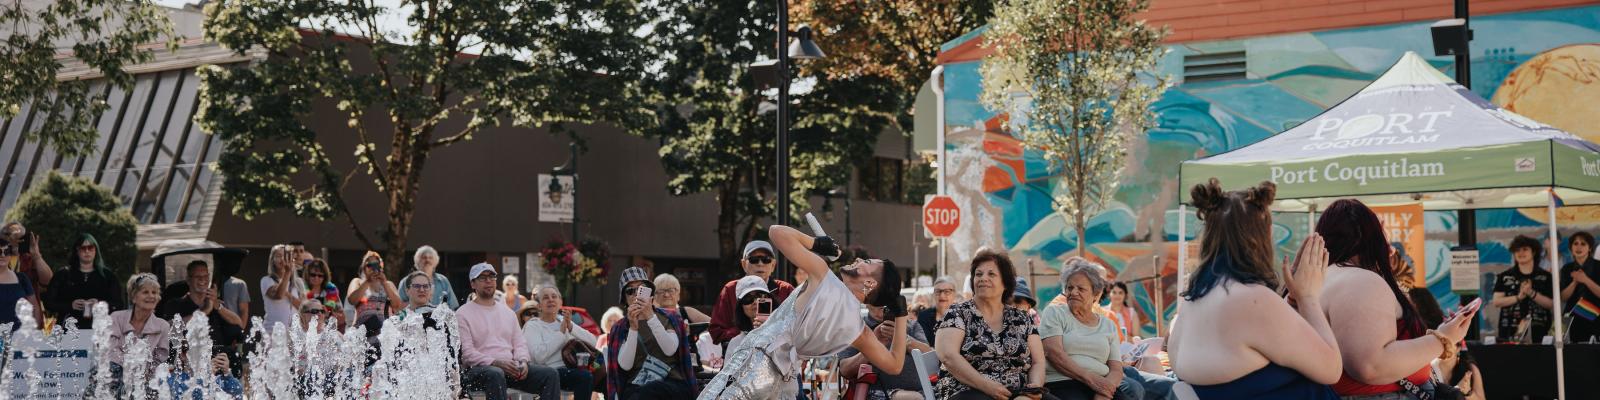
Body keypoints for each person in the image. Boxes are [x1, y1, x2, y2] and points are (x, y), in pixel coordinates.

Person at [1166, 179, 1341, 399]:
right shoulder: (1253, 300)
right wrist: (1308, 297)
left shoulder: (1193, 301)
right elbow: (1331, 369)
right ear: (1265, 236)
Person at [699, 225, 910, 400]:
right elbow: (894, 365)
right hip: (780, 384)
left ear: (870, 282)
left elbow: (776, 233)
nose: (859, 260)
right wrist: (901, 316)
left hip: (753, 364)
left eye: (867, 263)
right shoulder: (858, 330)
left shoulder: (824, 276)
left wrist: (815, 243)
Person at [1314, 199, 1476, 399]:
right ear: (1369, 237)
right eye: (1382, 234)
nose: (1389, 248)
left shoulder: (1318, 279)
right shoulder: (1361, 281)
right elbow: (1371, 365)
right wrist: (1444, 338)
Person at [1040, 257, 1175, 400]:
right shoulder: (1055, 312)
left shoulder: (1107, 323)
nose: (1073, 292)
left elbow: (1116, 367)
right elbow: (1053, 353)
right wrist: (1093, 381)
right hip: (1065, 381)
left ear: (1096, 295)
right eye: (1070, 287)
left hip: (1103, 380)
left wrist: (1104, 391)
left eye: (1080, 288)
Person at [933, 248, 1047, 400]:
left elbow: (1038, 361)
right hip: (968, 391)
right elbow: (948, 356)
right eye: (978, 274)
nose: (983, 278)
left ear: (1005, 283)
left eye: (991, 274)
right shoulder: (958, 313)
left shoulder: (1022, 318)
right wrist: (987, 386)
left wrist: (1033, 390)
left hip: (1018, 393)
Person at [458, 263, 559, 400]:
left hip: (508, 368)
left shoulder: (508, 313)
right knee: (495, 373)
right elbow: (467, 354)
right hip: (478, 371)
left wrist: (523, 362)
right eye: (482, 278)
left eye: (492, 276)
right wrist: (496, 362)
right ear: (473, 284)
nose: (488, 281)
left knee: (550, 374)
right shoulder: (462, 313)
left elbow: (519, 344)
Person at [606, 266, 698, 399]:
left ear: (650, 292)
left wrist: (650, 316)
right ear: (625, 299)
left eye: (641, 289)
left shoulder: (669, 317)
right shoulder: (620, 327)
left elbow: (670, 349)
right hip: (637, 386)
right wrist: (633, 328)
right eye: (631, 291)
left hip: (671, 383)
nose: (637, 294)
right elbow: (625, 365)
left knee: (651, 390)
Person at [840, 300, 934, 400]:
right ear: (866, 302)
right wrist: (874, 345)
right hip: (875, 391)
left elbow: (929, 355)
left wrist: (902, 338)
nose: (883, 300)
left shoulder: (911, 325)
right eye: (878, 297)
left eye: (887, 296)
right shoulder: (857, 328)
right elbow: (845, 370)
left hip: (919, 390)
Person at [709, 240, 796, 343]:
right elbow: (716, 332)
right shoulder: (730, 289)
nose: (760, 264)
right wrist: (747, 329)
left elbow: (797, 326)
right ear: (744, 264)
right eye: (754, 259)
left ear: (773, 265)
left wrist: (772, 328)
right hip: (737, 352)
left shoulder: (785, 289)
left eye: (766, 259)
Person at [523, 286, 598, 400]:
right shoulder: (533, 325)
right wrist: (561, 333)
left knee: (601, 375)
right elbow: (539, 357)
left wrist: (571, 326)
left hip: (569, 370)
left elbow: (593, 341)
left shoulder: (562, 320)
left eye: (554, 297)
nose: (551, 300)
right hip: (547, 372)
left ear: (560, 302)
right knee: (584, 376)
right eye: (545, 298)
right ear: (539, 306)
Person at [162, 261, 246, 353]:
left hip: (218, 358)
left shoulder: (215, 305)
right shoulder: (175, 304)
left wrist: (218, 307)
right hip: (189, 357)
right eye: (198, 277)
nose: (203, 280)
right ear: (188, 280)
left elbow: (239, 324)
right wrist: (204, 311)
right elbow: (169, 328)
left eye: (206, 276)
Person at [45, 233, 124, 329]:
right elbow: (48, 303)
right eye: (83, 248)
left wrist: (100, 304)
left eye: (90, 247)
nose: (87, 251)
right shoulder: (63, 275)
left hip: (100, 329)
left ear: (96, 250)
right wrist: (70, 306)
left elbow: (119, 304)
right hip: (69, 328)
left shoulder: (108, 276)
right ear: (77, 251)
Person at [107, 273, 173, 389]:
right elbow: (111, 352)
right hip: (116, 375)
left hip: (145, 380)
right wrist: (131, 367)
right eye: (145, 292)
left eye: (154, 292)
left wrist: (142, 373)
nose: (151, 296)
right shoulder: (116, 318)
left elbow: (159, 360)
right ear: (133, 297)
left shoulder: (163, 326)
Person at [1492, 235, 1555, 343]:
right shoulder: (1504, 276)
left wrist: (1531, 293)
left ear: (1533, 252)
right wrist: (1518, 297)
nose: (1521, 253)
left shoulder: (1546, 276)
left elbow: (1551, 304)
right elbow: (1497, 301)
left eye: (1525, 249)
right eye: (1517, 250)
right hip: (1509, 330)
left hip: (1540, 330)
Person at [1560, 232, 1600, 342]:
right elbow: (1563, 297)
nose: (1579, 247)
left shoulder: (1598, 266)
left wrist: (1586, 280)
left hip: (1595, 316)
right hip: (1572, 317)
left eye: (1583, 244)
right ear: (1571, 248)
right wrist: (1574, 282)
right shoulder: (1566, 268)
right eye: (1575, 244)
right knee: (1570, 355)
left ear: (1590, 248)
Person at [260, 244, 307, 332]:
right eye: (278, 256)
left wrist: (287, 293)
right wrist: (287, 272)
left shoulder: (298, 282)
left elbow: (303, 308)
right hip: (272, 331)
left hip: (294, 332)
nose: (282, 259)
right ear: (272, 260)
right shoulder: (267, 280)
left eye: (285, 256)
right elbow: (279, 296)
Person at [398, 245, 460, 309]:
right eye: (424, 257)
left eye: (430, 257)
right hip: (413, 317)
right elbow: (398, 304)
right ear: (417, 261)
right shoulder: (406, 281)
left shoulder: (443, 280)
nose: (427, 260)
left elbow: (453, 305)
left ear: (435, 261)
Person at [348, 251, 403, 321]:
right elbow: (352, 300)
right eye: (369, 265)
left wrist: (384, 283)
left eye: (376, 265)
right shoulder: (357, 282)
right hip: (361, 328)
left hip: (384, 328)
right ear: (364, 268)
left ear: (381, 266)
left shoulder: (388, 284)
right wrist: (367, 281)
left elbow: (397, 305)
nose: (373, 268)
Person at [724, 275, 773, 352]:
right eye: (747, 298)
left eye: (760, 296)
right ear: (740, 306)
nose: (755, 301)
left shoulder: (784, 335)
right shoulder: (735, 343)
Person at [1, 222, 51, 294]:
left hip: (28, 302)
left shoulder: (29, 258)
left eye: (20, 238)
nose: (16, 241)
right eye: (10, 235)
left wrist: (37, 256)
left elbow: (48, 281)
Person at [303, 259, 346, 330]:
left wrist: (329, 314)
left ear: (324, 277)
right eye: (313, 275)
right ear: (308, 275)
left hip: (326, 332)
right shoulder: (302, 290)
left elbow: (342, 318)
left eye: (320, 275)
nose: (316, 278)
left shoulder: (332, 292)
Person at [917, 276, 958, 344]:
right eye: (938, 291)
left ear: (954, 294)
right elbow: (922, 343)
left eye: (946, 291)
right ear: (933, 294)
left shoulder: (963, 316)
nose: (942, 295)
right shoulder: (924, 316)